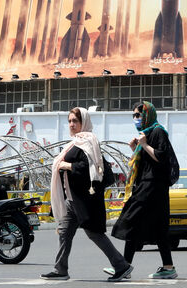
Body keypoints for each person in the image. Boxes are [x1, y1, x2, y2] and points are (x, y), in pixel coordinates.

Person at [41, 107, 132, 282]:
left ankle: (121, 265)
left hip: (85, 200)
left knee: (94, 234)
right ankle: (60, 269)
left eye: (75, 121)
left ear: (84, 122)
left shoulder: (89, 141)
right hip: (72, 199)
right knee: (64, 232)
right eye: (69, 121)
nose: (72, 124)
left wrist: (67, 166)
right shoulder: (75, 143)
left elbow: (88, 168)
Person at [111, 101, 177, 280]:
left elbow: (162, 157)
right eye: (134, 116)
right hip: (149, 185)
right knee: (158, 228)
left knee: (131, 219)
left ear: (148, 115)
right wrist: (136, 148)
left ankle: (123, 265)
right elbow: (144, 162)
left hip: (152, 186)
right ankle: (167, 267)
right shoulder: (146, 134)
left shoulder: (158, 131)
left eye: (138, 115)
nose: (136, 119)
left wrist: (145, 145)